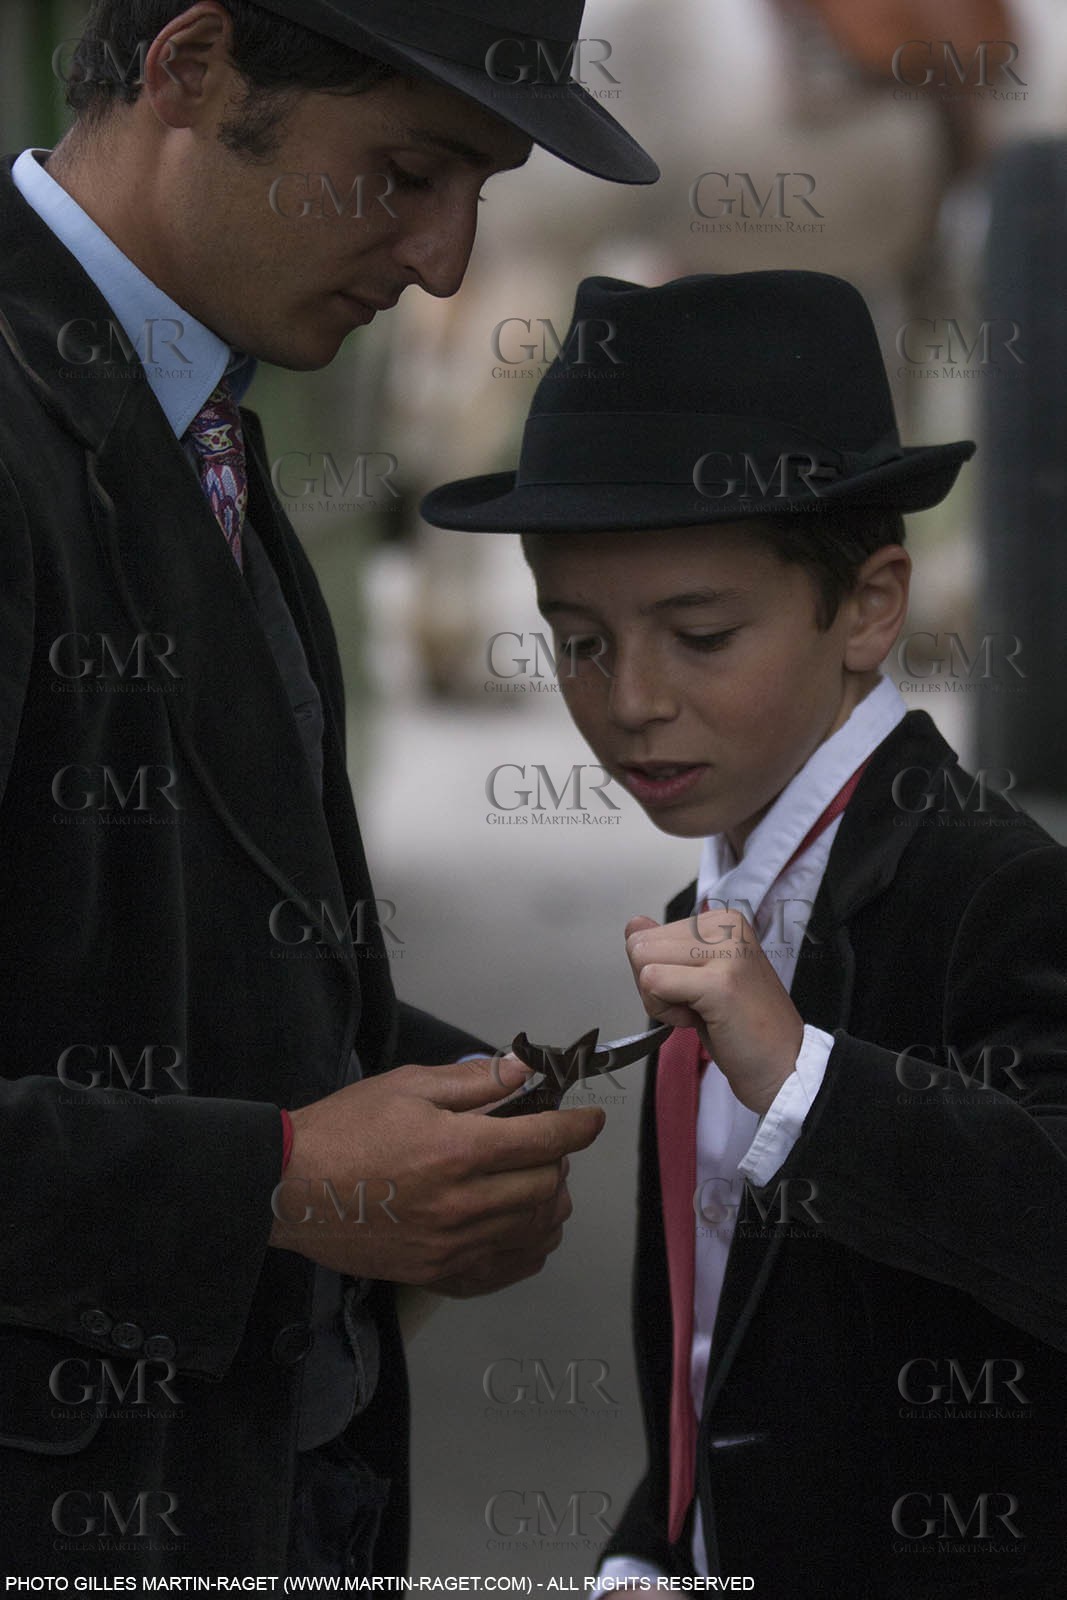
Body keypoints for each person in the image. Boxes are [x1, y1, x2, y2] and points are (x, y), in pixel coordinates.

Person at [0, 0, 659, 1579]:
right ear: (190, 66)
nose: (442, 260)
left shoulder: (192, 417)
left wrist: (415, 1098)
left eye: (479, 192)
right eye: (406, 172)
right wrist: (285, 1184)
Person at [422, 271, 1067, 1597]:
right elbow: (715, 1363)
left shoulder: (995, 894)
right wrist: (648, 1559)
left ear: (872, 608)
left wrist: (803, 1076)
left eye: (701, 635)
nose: (633, 701)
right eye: (579, 640)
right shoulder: (699, 927)